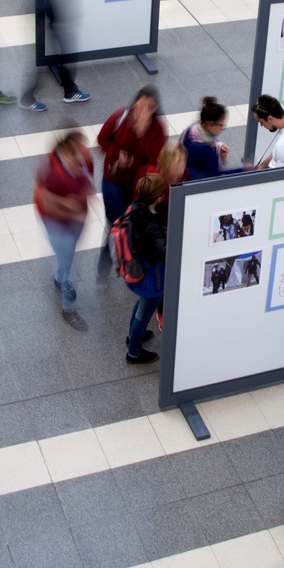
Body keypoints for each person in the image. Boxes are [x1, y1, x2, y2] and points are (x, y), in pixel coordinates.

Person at [35, 131, 95, 330]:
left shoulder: (82, 162)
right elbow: (46, 203)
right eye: (76, 151)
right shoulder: (55, 176)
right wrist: (67, 208)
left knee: (66, 262)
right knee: (71, 265)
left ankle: (59, 278)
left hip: (75, 223)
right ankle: (68, 309)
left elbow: (88, 182)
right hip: (59, 227)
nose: (82, 153)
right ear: (65, 153)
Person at [98, 86, 168, 243]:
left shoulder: (157, 129)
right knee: (115, 218)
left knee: (132, 221)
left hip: (138, 185)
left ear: (154, 109)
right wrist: (117, 155)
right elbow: (102, 139)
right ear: (134, 103)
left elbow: (156, 161)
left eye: (149, 108)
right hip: (114, 180)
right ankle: (112, 244)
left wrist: (132, 162)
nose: (143, 111)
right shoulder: (121, 118)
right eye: (140, 105)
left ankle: (124, 248)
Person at [121, 174, 167, 365]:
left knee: (141, 305)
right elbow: (165, 251)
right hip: (150, 276)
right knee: (144, 312)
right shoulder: (151, 224)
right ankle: (134, 353)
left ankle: (133, 337)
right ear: (157, 198)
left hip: (135, 266)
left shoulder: (135, 207)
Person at [182, 97, 234, 179]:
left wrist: (218, 146)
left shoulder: (191, 129)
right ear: (210, 123)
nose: (222, 129)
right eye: (220, 125)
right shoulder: (207, 150)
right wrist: (245, 170)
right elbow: (217, 176)